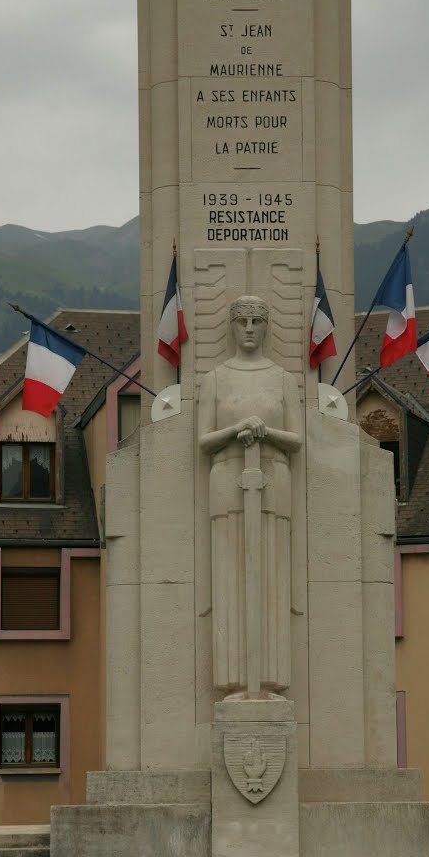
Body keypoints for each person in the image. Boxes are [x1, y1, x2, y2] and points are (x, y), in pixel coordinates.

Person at [198, 295, 302, 695]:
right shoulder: (216, 379)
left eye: (257, 321)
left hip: (274, 479)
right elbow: (204, 439)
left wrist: (265, 432)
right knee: (229, 577)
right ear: (232, 326)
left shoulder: (282, 379)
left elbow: (296, 439)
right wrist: (237, 428)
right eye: (242, 322)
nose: (249, 329)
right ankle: (232, 678)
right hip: (226, 479)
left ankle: (271, 677)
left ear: (266, 326)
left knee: (272, 576)